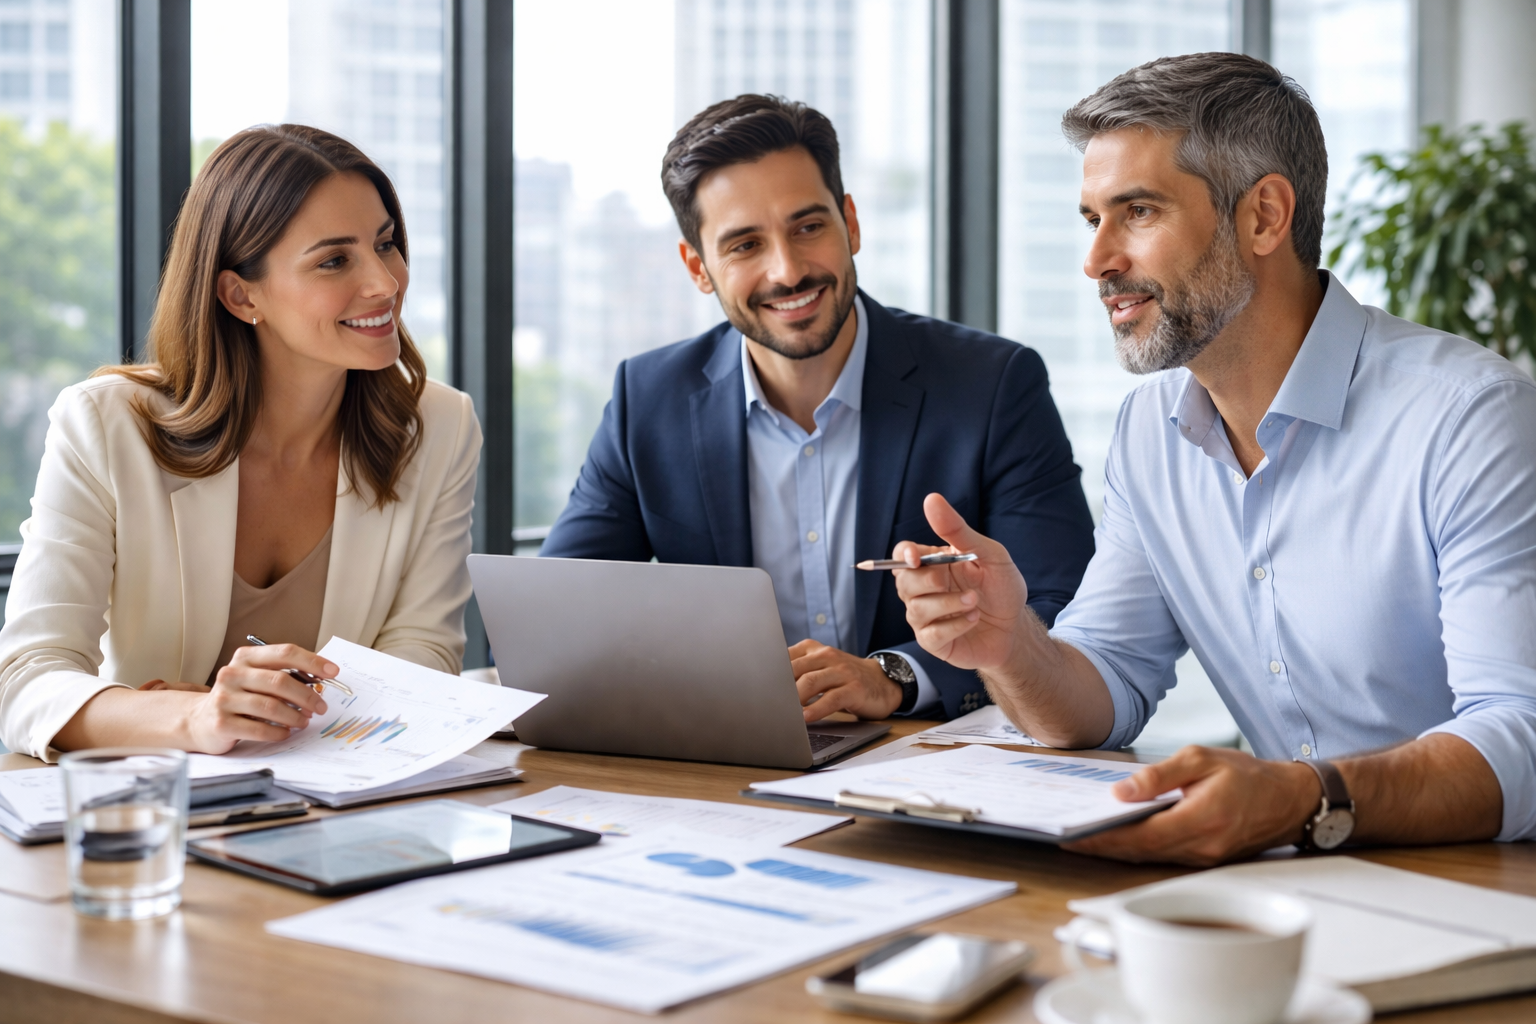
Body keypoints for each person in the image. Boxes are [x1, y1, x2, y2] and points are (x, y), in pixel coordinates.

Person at [893, 52, 1536, 863]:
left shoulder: (1469, 418)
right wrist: (1008, 645)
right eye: (1092, 219)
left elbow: (1523, 735)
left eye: (1138, 211)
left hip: (1486, 886)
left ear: (1265, 215)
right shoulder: (1149, 430)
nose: (1096, 262)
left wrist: (1304, 799)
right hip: (1292, 883)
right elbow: (1107, 685)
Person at [541, 94, 1095, 722]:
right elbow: (560, 615)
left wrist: (895, 677)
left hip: (932, 768)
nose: (788, 271)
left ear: (850, 224)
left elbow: (1066, 607)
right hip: (726, 768)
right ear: (698, 267)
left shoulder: (993, 385)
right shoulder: (648, 400)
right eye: (745, 245)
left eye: (808, 227)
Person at [0, 125, 481, 761]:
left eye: (386, 243)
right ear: (240, 294)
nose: (387, 283)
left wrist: (275, 714)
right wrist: (193, 717)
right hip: (160, 809)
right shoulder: (104, 426)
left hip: (346, 805)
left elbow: (425, 655)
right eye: (335, 260)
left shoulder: (438, 426)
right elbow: (27, 681)